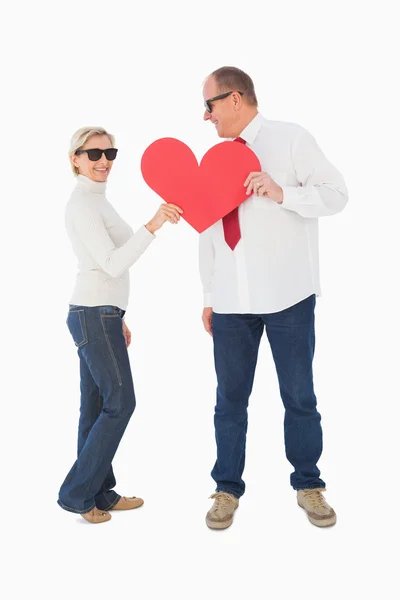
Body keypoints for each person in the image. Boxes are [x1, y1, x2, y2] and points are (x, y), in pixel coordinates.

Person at [200, 67, 348, 529]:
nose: (206, 116)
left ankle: (309, 484)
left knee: (299, 396)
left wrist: (283, 192)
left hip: (289, 297)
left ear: (236, 98)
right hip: (229, 304)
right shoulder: (214, 158)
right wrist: (209, 293)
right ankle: (226, 490)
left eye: (210, 105)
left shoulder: (291, 139)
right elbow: (208, 229)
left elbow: (337, 195)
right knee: (229, 401)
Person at [58, 126, 182, 524]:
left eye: (109, 152)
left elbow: (106, 265)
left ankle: (100, 493)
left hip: (99, 312)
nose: (103, 161)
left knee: (95, 408)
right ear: (75, 158)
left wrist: (119, 315)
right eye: (93, 154)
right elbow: (112, 262)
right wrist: (153, 224)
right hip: (93, 312)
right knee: (120, 403)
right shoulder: (82, 204)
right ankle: (76, 493)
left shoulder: (98, 202)